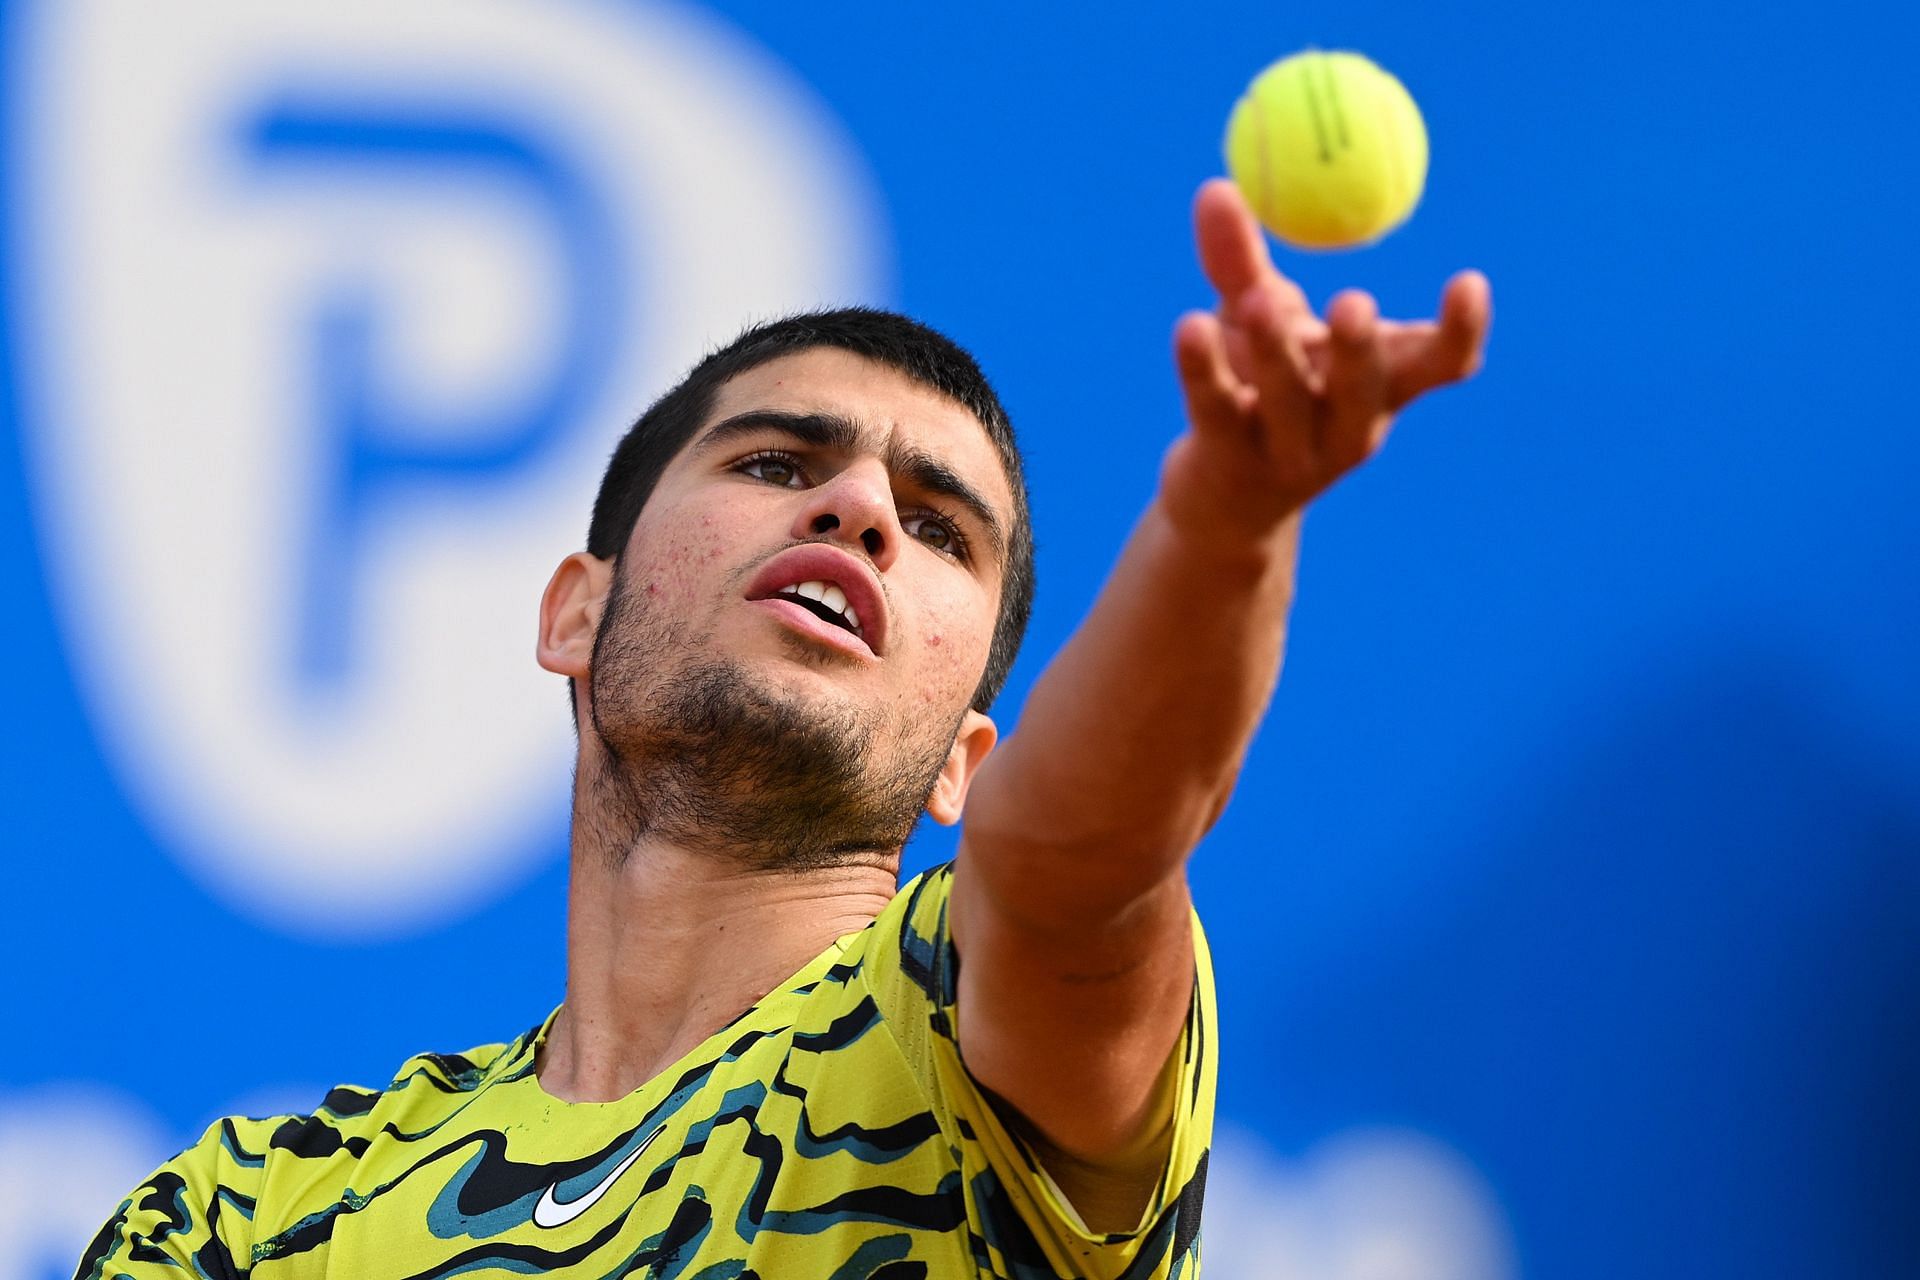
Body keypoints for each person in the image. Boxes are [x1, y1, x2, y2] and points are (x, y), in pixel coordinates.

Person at [75, 179, 1490, 1279]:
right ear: (577, 611)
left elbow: (1084, 862)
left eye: (938, 529)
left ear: (964, 764)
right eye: (776, 461)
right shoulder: (257, 1210)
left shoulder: (952, 1033)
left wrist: (1226, 528)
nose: (860, 509)